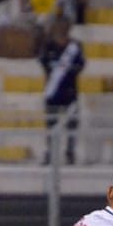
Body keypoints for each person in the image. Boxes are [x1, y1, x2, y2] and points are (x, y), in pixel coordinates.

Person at [39, 15, 84, 165]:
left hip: (70, 91)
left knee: (72, 124)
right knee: (51, 124)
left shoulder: (75, 47)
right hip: (53, 92)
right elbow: (44, 63)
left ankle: (70, 152)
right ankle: (50, 152)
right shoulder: (48, 46)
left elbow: (80, 66)